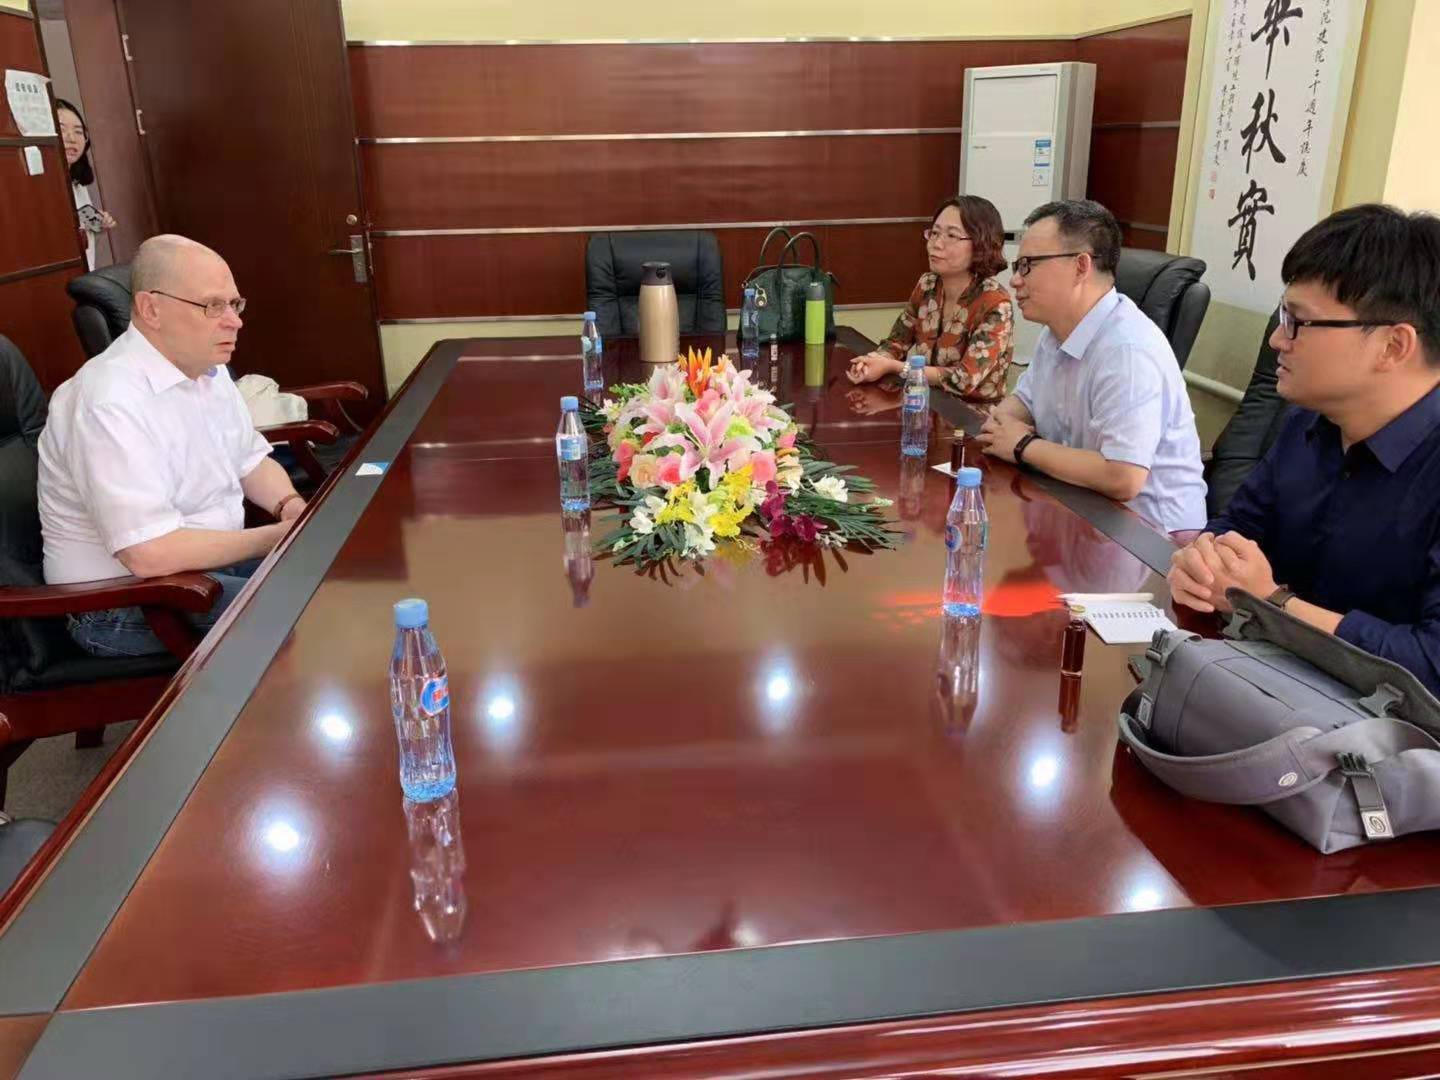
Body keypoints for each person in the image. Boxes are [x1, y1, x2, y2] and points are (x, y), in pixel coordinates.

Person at [1168, 204, 1440, 695]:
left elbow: (1432, 665)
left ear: (1393, 346)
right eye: (1282, 316)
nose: (1277, 339)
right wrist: (1202, 563)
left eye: (1298, 322)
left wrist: (1272, 605)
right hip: (1267, 688)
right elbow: (1237, 526)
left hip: (1388, 733)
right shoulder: (1307, 423)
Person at [38, 234, 304, 657]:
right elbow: (149, 554)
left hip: (204, 568)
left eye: (234, 304)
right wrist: (275, 538)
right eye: (212, 306)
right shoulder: (107, 400)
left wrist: (291, 508)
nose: (233, 322)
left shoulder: (206, 368)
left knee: (335, 571)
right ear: (151, 309)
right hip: (120, 600)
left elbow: (250, 461)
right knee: (303, 615)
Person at [975, 199, 1207, 534]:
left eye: (1027, 265)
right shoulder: (1055, 332)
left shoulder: (1128, 349)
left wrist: (1023, 445)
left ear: (1080, 266)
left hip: (1150, 536)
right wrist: (1000, 424)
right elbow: (1025, 401)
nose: (1015, 281)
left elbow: (1123, 476)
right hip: (1080, 507)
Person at [846, 195, 1014, 411]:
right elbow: (896, 342)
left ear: (981, 244)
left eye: (951, 235)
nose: (936, 244)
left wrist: (893, 366)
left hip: (974, 417)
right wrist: (872, 362)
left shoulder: (995, 303)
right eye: (934, 233)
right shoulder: (928, 284)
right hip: (927, 403)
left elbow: (964, 380)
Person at [56, 99, 117, 271]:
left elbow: (84, 232)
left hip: (84, 272)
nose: (71, 138)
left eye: (78, 131)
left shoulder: (77, 183)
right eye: (61, 129)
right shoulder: (41, 183)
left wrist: (100, 224)